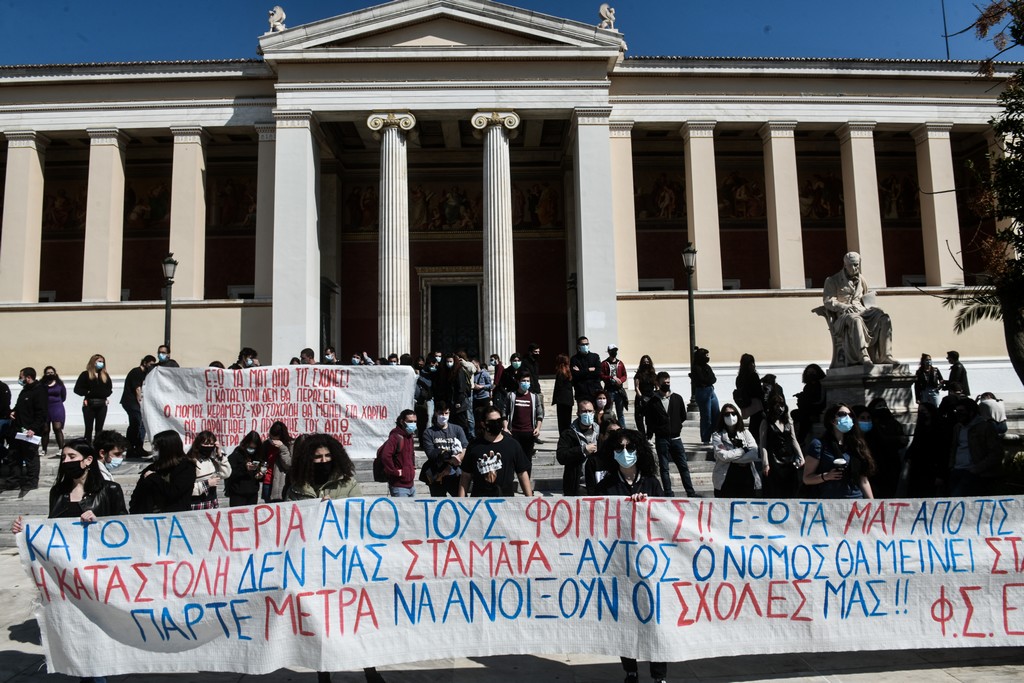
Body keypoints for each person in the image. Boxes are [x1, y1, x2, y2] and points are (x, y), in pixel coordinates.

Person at [11, 438, 126, 683]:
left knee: (97, 636)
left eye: (72, 457)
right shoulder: (59, 492)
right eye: (64, 457)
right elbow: (50, 529)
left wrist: (100, 521)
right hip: (68, 578)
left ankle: (97, 677)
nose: (66, 462)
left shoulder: (110, 490)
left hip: (99, 576)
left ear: (88, 460)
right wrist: (26, 530)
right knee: (77, 635)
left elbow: (126, 529)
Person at [283, 434, 388, 683]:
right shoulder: (297, 486)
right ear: (308, 460)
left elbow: (360, 516)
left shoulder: (347, 482)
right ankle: (324, 674)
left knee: (356, 622)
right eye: (317, 457)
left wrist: (336, 511)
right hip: (313, 565)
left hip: (345, 563)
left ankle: (370, 671)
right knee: (321, 625)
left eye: (328, 456)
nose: (323, 460)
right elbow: (288, 522)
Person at [592, 428, 668, 683]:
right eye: (619, 449)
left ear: (639, 450)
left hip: (650, 562)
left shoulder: (652, 483)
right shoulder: (606, 486)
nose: (625, 454)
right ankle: (631, 670)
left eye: (630, 448)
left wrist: (648, 506)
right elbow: (599, 521)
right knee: (625, 619)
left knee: (656, 620)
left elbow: (666, 519)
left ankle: (659, 675)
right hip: (620, 563)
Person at [822, 251, 895, 366]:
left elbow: (865, 296)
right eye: (853, 265)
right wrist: (844, 306)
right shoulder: (832, 280)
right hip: (843, 317)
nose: (856, 267)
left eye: (857, 264)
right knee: (856, 320)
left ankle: (886, 355)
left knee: (884, 318)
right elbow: (828, 301)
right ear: (845, 265)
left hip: (862, 311)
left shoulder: (862, 279)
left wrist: (871, 299)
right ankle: (863, 356)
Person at [802, 404, 875, 499]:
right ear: (832, 420)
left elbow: (863, 480)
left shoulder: (856, 445)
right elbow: (807, 479)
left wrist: (873, 505)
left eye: (850, 415)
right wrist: (826, 476)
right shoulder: (819, 445)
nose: (848, 418)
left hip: (856, 502)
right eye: (842, 414)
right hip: (829, 503)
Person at [644, 371, 698, 497]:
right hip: (662, 439)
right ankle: (668, 492)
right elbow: (650, 420)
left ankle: (690, 492)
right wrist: (651, 433)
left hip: (676, 438)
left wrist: (676, 426)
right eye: (664, 383)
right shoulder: (653, 401)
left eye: (668, 382)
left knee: (683, 466)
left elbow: (683, 416)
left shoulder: (677, 398)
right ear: (658, 383)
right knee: (664, 468)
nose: (666, 385)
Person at [458, 407, 533, 497]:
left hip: (506, 502)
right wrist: (461, 501)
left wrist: (530, 500)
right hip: (479, 502)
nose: (496, 424)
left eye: (499, 420)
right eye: (492, 422)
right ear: (483, 424)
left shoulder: (512, 445)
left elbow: (522, 473)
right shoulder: (474, 446)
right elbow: (466, 475)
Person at [945, 396, 1002, 497]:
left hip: (975, 473)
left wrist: (977, 469)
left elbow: (995, 453)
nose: (958, 413)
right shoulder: (957, 427)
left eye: (961, 411)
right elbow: (954, 447)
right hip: (957, 470)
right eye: (956, 410)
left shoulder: (985, 427)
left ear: (971, 412)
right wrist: (951, 465)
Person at [129, 430, 197, 513]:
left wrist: (154, 478)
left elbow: (174, 492)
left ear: (167, 449)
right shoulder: (153, 467)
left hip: (174, 517)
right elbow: (137, 495)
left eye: (157, 448)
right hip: (148, 518)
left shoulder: (186, 467)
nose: (154, 451)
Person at [10, 367, 48, 493]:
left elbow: (41, 413)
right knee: (15, 455)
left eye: (21, 377)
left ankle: (31, 482)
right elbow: (19, 405)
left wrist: (33, 428)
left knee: (31, 457)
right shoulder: (24, 390)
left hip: (30, 431)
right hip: (19, 430)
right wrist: (13, 412)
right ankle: (14, 481)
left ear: (28, 377)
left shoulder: (39, 391)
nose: (19, 379)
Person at [711, 403, 761, 497]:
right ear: (722, 417)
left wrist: (733, 459)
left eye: (733, 413)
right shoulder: (717, 435)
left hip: (746, 479)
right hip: (726, 479)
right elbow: (723, 456)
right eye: (727, 414)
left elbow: (754, 453)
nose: (730, 416)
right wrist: (743, 450)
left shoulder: (745, 433)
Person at [759, 395, 804, 499]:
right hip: (774, 459)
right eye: (777, 405)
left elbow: (793, 440)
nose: (780, 408)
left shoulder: (788, 421)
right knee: (774, 490)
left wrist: (800, 456)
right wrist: (765, 463)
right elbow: (763, 444)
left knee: (790, 489)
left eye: (782, 405)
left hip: (789, 458)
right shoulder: (766, 422)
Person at [420, 401, 468, 497]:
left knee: (460, 502)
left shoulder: (457, 429)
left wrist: (450, 465)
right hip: (438, 475)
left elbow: (464, 448)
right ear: (436, 413)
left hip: (455, 474)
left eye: (446, 413)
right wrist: (450, 458)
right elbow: (431, 454)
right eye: (441, 413)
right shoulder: (428, 432)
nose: (444, 416)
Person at [861, 400, 905, 499]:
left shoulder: (893, 423)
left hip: (891, 462)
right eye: (879, 406)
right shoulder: (871, 425)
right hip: (875, 462)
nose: (882, 408)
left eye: (884, 405)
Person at [556, 400, 599, 496]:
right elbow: (561, 456)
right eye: (584, 411)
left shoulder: (600, 432)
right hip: (578, 485)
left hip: (598, 485)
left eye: (590, 411)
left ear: (594, 412)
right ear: (578, 413)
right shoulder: (568, 434)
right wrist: (582, 450)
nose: (587, 414)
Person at [504, 370, 544, 473]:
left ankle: (526, 485)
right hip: (514, 432)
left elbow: (540, 414)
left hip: (529, 433)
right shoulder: (511, 396)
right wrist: (505, 427)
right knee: (513, 458)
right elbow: (504, 413)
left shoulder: (534, 397)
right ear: (518, 381)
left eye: (527, 381)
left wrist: (538, 428)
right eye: (523, 381)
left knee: (527, 460)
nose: (526, 383)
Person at [121, 355, 155, 458]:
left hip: (137, 403)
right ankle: (130, 448)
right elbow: (137, 389)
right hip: (131, 402)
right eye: (151, 364)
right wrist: (141, 402)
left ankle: (139, 447)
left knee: (142, 425)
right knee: (135, 424)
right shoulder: (136, 372)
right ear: (145, 363)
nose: (152, 366)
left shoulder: (146, 373)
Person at [186, 430, 230, 509]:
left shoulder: (212, 460)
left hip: (211, 502)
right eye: (206, 444)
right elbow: (185, 488)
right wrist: (206, 484)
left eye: (211, 444)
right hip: (196, 503)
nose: (209, 446)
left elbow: (226, 474)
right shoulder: (190, 461)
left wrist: (220, 455)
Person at [74, 354, 113, 443]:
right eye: (99, 361)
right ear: (93, 362)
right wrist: (88, 393)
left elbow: (109, 389)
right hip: (89, 404)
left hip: (102, 404)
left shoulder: (105, 375)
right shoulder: (85, 374)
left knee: (99, 428)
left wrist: (105, 395)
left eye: (102, 362)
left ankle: (97, 446)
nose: (101, 363)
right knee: (89, 428)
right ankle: (87, 446)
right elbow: (77, 389)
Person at [379, 409, 417, 497]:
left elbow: (411, 454)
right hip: (399, 485)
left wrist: (412, 468)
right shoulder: (396, 437)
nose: (413, 424)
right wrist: (394, 471)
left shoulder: (410, 436)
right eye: (410, 421)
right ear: (402, 421)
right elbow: (385, 456)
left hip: (411, 484)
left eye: (415, 421)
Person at [689, 347, 719, 445]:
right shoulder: (696, 368)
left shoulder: (707, 367)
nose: (708, 357)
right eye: (706, 355)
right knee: (706, 416)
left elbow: (713, 379)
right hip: (702, 392)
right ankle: (706, 438)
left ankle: (715, 435)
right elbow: (702, 379)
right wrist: (708, 380)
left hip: (710, 390)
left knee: (716, 414)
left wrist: (708, 380)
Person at [225, 431, 264, 506]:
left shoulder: (257, 456)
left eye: (254, 448)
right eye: (250, 447)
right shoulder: (236, 455)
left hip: (252, 493)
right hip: (238, 494)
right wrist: (244, 468)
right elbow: (230, 474)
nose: (252, 450)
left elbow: (259, 472)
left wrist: (260, 475)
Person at [793, 363, 827, 446]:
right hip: (807, 409)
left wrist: (806, 400)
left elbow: (820, 400)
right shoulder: (807, 386)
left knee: (805, 418)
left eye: (813, 372)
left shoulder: (821, 385)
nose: (810, 374)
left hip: (816, 409)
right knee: (795, 414)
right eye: (808, 372)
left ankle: (800, 440)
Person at [733, 353, 764, 444]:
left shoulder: (739, 378)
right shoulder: (753, 376)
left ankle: (751, 441)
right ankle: (755, 442)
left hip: (746, 403)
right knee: (757, 424)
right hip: (755, 403)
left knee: (753, 424)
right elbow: (757, 391)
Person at [262, 421, 294, 503]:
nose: (273, 441)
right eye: (271, 437)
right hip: (267, 481)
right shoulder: (266, 444)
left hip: (282, 483)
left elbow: (288, 465)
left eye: (275, 438)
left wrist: (282, 448)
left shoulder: (290, 444)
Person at [40, 366, 67, 454]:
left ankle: (61, 449)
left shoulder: (60, 384)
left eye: (51, 372)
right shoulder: (41, 384)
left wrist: (57, 402)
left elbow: (63, 396)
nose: (50, 374)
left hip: (57, 407)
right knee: (45, 429)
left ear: (55, 373)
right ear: (45, 374)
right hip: (45, 408)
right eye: (48, 373)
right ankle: (44, 449)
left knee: (57, 428)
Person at [601, 344, 628, 427]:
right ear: (609, 352)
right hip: (609, 390)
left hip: (619, 390)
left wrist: (621, 381)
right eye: (612, 351)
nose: (614, 352)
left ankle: (623, 429)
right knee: (608, 411)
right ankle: (608, 428)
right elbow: (601, 375)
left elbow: (624, 375)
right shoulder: (604, 363)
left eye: (615, 350)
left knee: (620, 413)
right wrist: (611, 378)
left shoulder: (620, 363)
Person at [570, 336, 602, 403]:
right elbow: (575, 375)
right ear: (578, 346)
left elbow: (598, 373)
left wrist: (581, 372)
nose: (585, 346)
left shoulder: (595, 357)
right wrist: (588, 370)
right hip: (581, 392)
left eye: (586, 344)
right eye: (583, 344)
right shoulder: (574, 359)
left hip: (595, 390)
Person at [633, 355, 657, 438]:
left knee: (650, 419)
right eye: (644, 362)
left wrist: (655, 395)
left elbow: (656, 386)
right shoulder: (638, 375)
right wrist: (641, 397)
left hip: (651, 397)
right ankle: (642, 435)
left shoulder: (653, 374)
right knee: (639, 418)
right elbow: (636, 387)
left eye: (647, 362)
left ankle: (649, 436)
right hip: (641, 398)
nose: (646, 363)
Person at [552, 353, 575, 435]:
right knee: (567, 421)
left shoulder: (560, 373)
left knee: (561, 422)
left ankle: (563, 437)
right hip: (568, 400)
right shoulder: (569, 372)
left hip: (561, 401)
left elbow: (558, 387)